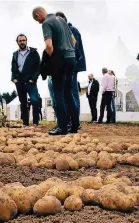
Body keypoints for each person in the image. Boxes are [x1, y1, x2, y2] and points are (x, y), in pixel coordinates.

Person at [32, 7, 79, 135]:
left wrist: (52, 59)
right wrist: (68, 50)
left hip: (61, 60)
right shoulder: (61, 20)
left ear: (38, 15)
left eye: (37, 20)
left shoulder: (47, 23)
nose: (38, 22)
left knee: (58, 94)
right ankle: (74, 126)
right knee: (68, 93)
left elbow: (49, 45)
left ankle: (62, 127)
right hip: (71, 59)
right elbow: (74, 41)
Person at [55, 11, 86, 118]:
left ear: (64, 19)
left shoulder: (72, 30)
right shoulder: (62, 31)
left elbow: (75, 47)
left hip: (72, 65)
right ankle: (70, 119)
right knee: (67, 92)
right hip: (66, 65)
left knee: (73, 92)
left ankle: (74, 120)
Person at [11, 34, 41, 127]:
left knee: (35, 100)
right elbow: (13, 68)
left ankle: (35, 122)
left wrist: (33, 78)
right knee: (23, 102)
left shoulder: (33, 52)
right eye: (20, 41)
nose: (22, 42)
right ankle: (25, 123)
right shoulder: (15, 54)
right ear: (17, 42)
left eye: (24, 40)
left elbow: (39, 67)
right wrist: (13, 79)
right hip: (19, 82)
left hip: (30, 81)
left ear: (26, 41)